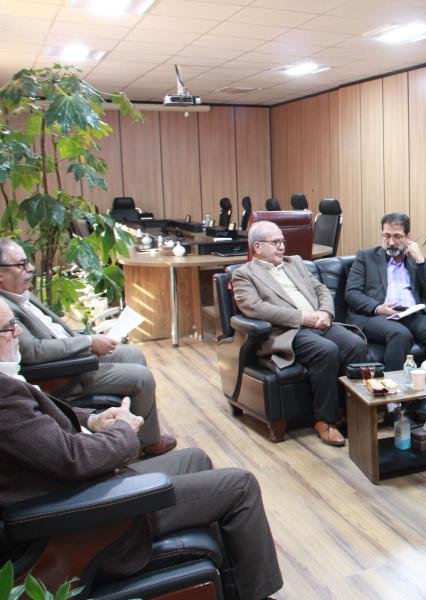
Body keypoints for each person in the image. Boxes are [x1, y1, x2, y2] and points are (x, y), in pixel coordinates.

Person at [0, 300, 283, 600]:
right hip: (85, 517)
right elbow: (74, 459)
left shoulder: (7, 383)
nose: (18, 332)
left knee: (195, 459)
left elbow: (44, 422)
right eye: (8, 328)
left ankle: (227, 587)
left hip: (77, 489)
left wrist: (92, 420)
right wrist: (123, 429)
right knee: (241, 486)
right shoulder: (4, 396)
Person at [0, 238, 175, 455]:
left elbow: (54, 331)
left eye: (28, 262)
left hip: (73, 355)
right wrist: (89, 342)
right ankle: (144, 444)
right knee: (141, 377)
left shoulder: (21, 295)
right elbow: (33, 351)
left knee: (132, 354)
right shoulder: (4, 309)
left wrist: (87, 341)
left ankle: (140, 433)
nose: (30, 268)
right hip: (62, 372)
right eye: (21, 264)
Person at [231, 221, 367, 447]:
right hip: (288, 331)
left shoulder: (294, 262)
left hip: (319, 322)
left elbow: (321, 289)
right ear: (257, 247)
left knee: (356, 344)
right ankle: (325, 420)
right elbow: (254, 307)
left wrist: (325, 312)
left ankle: (354, 413)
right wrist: (302, 318)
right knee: (326, 351)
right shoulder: (244, 274)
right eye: (275, 242)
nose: (282, 246)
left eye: (282, 241)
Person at [345, 212, 426, 372]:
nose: (391, 242)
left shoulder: (414, 260)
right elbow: (352, 293)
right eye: (386, 236)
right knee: (400, 334)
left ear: (408, 237)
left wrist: (421, 260)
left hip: (411, 315)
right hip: (376, 316)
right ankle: (394, 387)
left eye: (397, 236)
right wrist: (377, 308)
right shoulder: (366, 257)